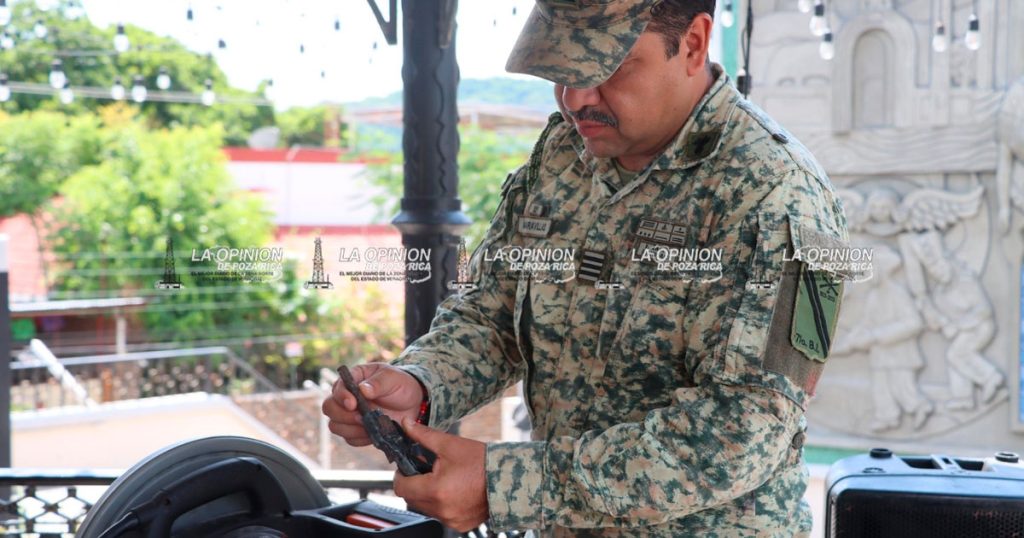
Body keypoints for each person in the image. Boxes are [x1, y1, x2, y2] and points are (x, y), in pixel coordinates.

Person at [322, 0, 849, 535]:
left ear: (692, 44)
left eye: (605, 69)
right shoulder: (562, 153)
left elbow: (740, 432)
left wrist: (504, 485)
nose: (576, 99)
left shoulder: (781, 197)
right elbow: (490, 314)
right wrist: (421, 382)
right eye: (563, 69)